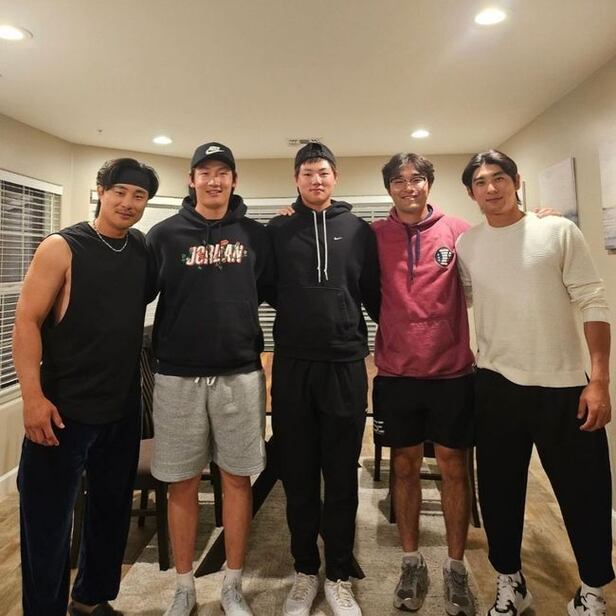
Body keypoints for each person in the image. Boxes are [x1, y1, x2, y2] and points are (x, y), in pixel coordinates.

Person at [457, 150, 613, 616]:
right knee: (499, 493)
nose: (491, 188)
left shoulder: (558, 231)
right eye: (480, 182)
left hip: (563, 386)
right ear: (471, 193)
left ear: (516, 181)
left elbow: (593, 298)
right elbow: (465, 299)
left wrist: (599, 379)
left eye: (499, 178)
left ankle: (592, 591)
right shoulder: (468, 244)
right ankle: (510, 581)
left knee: (585, 493)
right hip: (495, 384)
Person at [13, 158, 159, 616]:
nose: (128, 202)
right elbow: (26, 320)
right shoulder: (62, 246)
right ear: (101, 190)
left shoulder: (140, 248)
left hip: (120, 409)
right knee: (47, 523)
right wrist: (32, 399)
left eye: (139, 196)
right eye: (120, 191)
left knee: (110, 515)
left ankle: (91, 600)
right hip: (62, 412)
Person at [146, 142, 272, 616]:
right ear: (192, 179)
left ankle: (232, 584)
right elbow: (135, 294)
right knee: (180, 482)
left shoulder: (256, 236)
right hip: (177, 376)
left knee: (237, 478)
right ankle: (184, 587)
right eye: (205, 172)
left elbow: (276, 290)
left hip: (240, 373)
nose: (214, 180)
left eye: (223, 172)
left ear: (235, 180)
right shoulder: (164, 235)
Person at [266, 142, 380, 616]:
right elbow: (264, 286)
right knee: (297, 474)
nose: (316, 180)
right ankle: (304, 570)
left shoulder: (359, 230)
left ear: (336, 178)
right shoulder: (277, 230)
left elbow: (373, 292)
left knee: (341, 474)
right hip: (293, 365)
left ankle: (338, 574)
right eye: (308, 172)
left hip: (345, 364)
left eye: (324, 172)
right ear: (296, 179)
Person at [372, 153, 476, 615]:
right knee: (404, 467)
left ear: (429, 184)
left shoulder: (459, 231)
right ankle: (411, 562)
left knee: (454, 468)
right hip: (397, 374)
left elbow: (501, 248)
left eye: (417, 179)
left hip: (452, 373)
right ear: (389, 188)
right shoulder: (374, 235)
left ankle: (456, 567)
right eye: (399, 180)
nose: (408, 187)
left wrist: (536, 219)